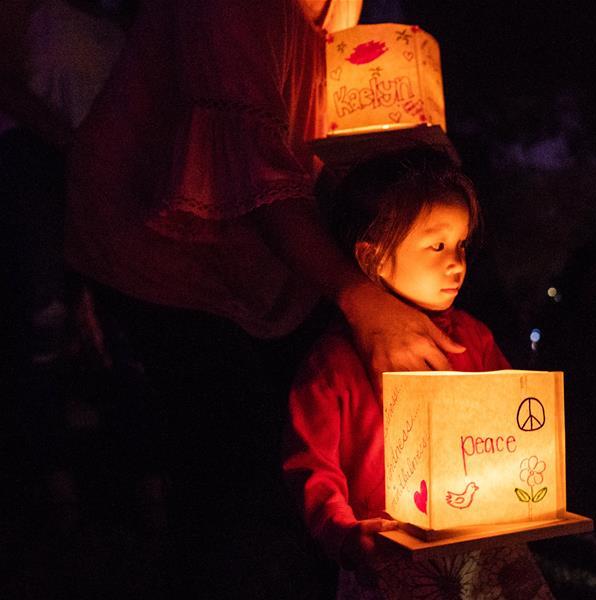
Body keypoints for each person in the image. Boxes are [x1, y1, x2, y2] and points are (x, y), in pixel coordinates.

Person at [63, 1, 464, 595]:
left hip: (262, 262)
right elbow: (255, 171)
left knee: (281, 433)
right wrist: (358, 296)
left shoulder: (338, 10)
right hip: (155, 246)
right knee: (225, 457)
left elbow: (310, 144)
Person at [283, 149, 553, 599]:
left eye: (462, 244)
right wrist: (348, 533)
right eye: (437, 245)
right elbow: (313, 465)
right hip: (391, 556)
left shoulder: (473, 338)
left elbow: (514, 424)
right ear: (372, 258)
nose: (457, 262)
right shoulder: (332, 364)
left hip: (485, 544)